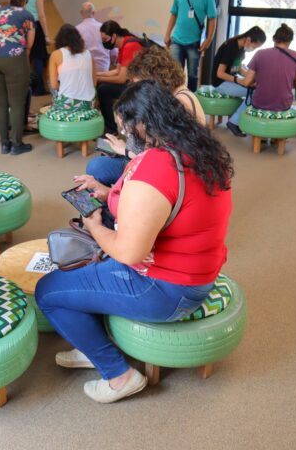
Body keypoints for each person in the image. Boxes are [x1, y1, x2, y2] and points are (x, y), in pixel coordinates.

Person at [35, 80, 233, 404]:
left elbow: (129, 252)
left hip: (167, 289)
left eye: (126, 128)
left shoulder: (157, 167)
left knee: (49, 291)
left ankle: (119, 375)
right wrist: (107, 192)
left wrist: (94, 225)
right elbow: (163, 205)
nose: (124, 135)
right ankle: (92, 345)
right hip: (197, 272)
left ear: (142, 123)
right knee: (85, 270)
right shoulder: (196, 149)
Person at [87, 46, 208, 187]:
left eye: (138, 84)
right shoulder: (177, 95)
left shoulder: (177, 103)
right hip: (150, 159)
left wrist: (125, 150)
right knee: (102, 160)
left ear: (153, 80)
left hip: (164, 171)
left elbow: (161, 161)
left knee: (96, 167)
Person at [226, 24, 296, 137]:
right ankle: (273, 136)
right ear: (290, 41)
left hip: (259, 103)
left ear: (274, 39)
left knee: (254, 93)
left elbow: (247, 82)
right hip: (283, 105)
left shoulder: (260, 54)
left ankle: (240, 124)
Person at [0, 0, 36, 155]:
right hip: (13, 58)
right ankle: (17, 144)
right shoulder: (26, 15)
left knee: (0, 102)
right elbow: (29, 43)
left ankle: (4, 144)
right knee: (17, 103)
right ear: (24, 1)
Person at [164, 0, 218, 92]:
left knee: (193, 76)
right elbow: (174, 13)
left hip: (194, 43)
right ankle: (176, 100)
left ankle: (191, 100)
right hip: (177, 40)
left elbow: (212, 18)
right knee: (175, 75)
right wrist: (167, 34)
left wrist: (209, 39)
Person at [95, 20, 144, 134]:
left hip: (141, 87)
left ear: (114, 36)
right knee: (101, 85)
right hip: (134, 83)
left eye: (105, 39)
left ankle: (110, 129)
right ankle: (108, 126)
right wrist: (96, 74)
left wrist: (97, 78)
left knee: (103, 89)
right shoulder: (124, 44)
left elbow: (121, 78)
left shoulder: (130, 46)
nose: (104, 42)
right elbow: (117, 71)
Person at [47, 24, 96, 113]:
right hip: (88, 104)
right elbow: (94, 83)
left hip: (67, 104)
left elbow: (54, 85)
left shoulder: (56, 54)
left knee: (50, 83)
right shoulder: (89, 54)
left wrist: (66, 87)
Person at [212, 26, 266, 98]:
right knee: (254, 92)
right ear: (248, 40)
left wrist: (252, 78)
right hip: (220, 83)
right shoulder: (230, 47)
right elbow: (220, 74)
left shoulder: (242, 48)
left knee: (257, 88)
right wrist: (240, 81)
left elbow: (238, 68)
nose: (253, 49)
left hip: (230, 80)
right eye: (254, 47)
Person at [23, 0, 51, 95]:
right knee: (39, 57)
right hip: (37, 26)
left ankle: (34, 86)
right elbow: (41, 15)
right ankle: (38, 88)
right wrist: (46, 35)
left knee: (32, 57)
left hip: (26, 26)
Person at [76, 2, 112, 73]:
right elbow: (113, 53)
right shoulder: (104, 28)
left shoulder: (76, 30)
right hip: (103, 68)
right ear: (93, 13)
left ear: (81, 12)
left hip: (85, 69)